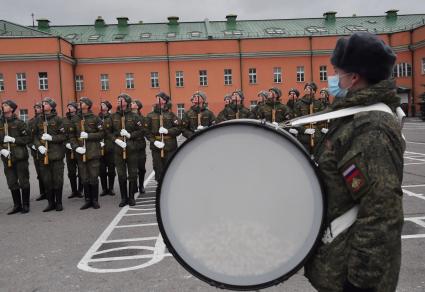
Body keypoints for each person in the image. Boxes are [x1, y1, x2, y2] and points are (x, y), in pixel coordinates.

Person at [304, 32, 404, 292]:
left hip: (355, 277)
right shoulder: (351, 115)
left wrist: (361, 283)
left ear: (354, 77)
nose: (332, 77)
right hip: (339, 264)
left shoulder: (372, 129)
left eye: (336, 71)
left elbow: (381, 213)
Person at [109, 93, 145, 207]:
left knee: (133, 173)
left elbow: (141, 131)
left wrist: (130, 135)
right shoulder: (113, 116)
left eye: (121, 99)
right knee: (121, 174)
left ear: (127, 102)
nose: (119, 100)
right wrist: (115, 140)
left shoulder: (135, 116)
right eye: (118, 98)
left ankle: (131, 197)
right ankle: (123, 198)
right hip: (118, 148)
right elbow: (108, 132)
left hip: (131, 147)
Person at [32, 97, 66, 212]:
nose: (43, 105)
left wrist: (51, 138)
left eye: (45, 103)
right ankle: (50, 203)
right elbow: (34, 136)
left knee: (57, 179)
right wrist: (39, 146)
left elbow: (63, 136)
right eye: (42, 103)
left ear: (51, 107)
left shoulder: (58, 119)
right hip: (43, 155)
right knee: (47, 180)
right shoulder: (38, 120)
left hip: (56, 154)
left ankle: (59, 202)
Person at [71, 97, 104, 210]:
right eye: (80, 102)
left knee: (93, 176)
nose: (80, 104)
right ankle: (87, 200)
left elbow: (101, 134)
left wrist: (89, 136)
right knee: (84, 177)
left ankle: (94, 200)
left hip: (93, 151)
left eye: (83, 102)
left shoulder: (95, 118)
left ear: (88, 105)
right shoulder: (75, 118)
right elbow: (71, 136)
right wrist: (76, 147)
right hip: (81, 151)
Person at [1, 100, 31, 214]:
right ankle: (17, 205)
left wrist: (14, 140)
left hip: (20, 156)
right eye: (3, 105)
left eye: (6, 105)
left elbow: (28, 138)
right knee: (11, 181)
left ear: (12, 109)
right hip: (6, 156)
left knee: (23, 181)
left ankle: (26, 204)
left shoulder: (19, 123)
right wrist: (2, 150)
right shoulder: (0, 123)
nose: (3, 107)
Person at [145, 92, 181, 182]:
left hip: (170, 146)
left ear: (164, 101)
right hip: (156, 146)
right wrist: (154, 141)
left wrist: (168, 131)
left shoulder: (171, 115)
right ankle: (159, 187)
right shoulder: (150, 115)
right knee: (158, 168)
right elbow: (146, 131)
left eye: (159, 98)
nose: (157, 100)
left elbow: (179, 128)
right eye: (156, 98)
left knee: (169, 167)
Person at [291, 82, 326, 153]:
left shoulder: (318, 103)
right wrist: (304, 130)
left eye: (309, 88)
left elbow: (323, 118)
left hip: (316, 137)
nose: (306, 89)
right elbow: (295, 120)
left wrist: (318, 121)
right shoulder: (298, 103)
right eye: (306, 88)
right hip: (303, 137)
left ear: (314, 91)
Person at [63, 101, 83, 199]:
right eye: (68, 106)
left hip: (79, 147)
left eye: (71, 106)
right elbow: (62, 133)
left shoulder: (80, 118)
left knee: (81, 170)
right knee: (71, 171)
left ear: (76, 108)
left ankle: (80, 190)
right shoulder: (64, 120)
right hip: (68, 148)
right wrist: (66, 143)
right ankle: (74, 190)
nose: (69, 108)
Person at [27, 102, 46, 201]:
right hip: (36, 151)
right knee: (39, 172)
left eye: (38, 107)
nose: (36, 109)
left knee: (47, 172)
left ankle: (49, 191)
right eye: (35, 107)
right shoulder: (31, 121)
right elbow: (29, 136)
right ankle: (42, 192)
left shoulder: (45, 119)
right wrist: (32, 146)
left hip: (46, 149)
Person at [98, 100, 116, 197]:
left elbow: (115, 131)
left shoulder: (112, 117)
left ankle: (111, 188)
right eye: (101, 105)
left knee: (111, 169)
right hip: (100, 147)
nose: (101, 106)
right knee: (102, 170)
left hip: (110, 147)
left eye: (104, 105)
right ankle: (104, 188)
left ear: (108, 107)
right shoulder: (98, 117)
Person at [130, 99, 147, 194]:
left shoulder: (142, 118)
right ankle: (134, 186)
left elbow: (144, 130)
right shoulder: (127, 116)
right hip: (130, 144)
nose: (131, 104)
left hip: (140, 145)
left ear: (138, 106)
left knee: (141, 168)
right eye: (131, 103)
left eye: (134, 103)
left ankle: (141, 185)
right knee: (132, 168)